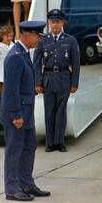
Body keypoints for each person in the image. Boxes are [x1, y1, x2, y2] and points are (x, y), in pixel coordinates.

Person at [0, 21, 50, 201]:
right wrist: (16, 115)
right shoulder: (15, 56)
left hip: (26, 111)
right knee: (14, 150)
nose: (39, 40)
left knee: (29, 146)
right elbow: (11, 89)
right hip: (18, 113)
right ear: (27, 35)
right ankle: (12, 188)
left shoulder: (23, 53)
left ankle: (26, 183)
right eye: (38, 36)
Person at [34, 9, 80, 153]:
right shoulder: (42, 40)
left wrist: (74, 83)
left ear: (62, 23)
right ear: (49, 23)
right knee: (49, 112)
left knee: (61, 112)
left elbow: (76, 63)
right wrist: (38, 82)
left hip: (64, 78)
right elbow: (36, 63)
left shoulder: (70, 40)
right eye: (52, 22)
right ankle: (50, 142)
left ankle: (59, 142)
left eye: (57, 22)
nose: (55, 25)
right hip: (48, 79)